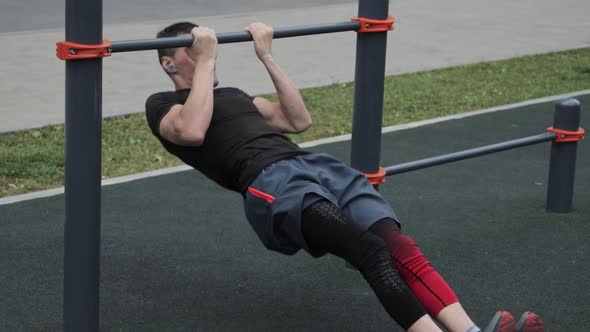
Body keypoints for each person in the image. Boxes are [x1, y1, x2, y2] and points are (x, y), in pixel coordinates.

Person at [145, 21, 544, 332]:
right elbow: (194, 131)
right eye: (192, 50)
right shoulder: (163, 105)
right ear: (169, 63)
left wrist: (267, 56)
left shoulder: (235, 94)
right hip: (274, 185)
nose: (204, 53)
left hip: (317, 168)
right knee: (367, 250)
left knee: (398, 245)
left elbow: (298, 120)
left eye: (204, 47)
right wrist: (208, 58)